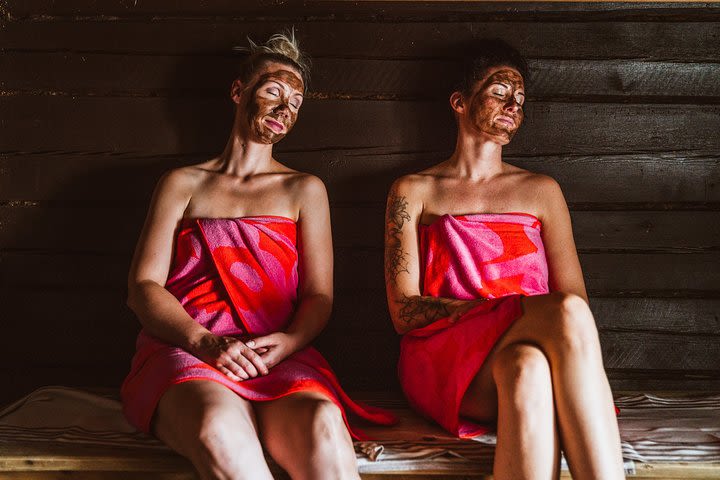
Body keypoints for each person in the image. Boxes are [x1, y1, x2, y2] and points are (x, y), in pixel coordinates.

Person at [121, 32, 393, 480]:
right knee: (218, 427)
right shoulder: (182, 184)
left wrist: (286, 343)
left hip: (276, 354)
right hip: (190, 351)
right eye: (272, 92)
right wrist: (204, 342)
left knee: (323, 426)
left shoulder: (303, 190)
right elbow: (143, 287)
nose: (286, 108)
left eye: (297, 101)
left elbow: (318, 295)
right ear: (238, 92)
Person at [384, 39, 625, 479]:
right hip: (446, 358)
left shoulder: (541, 191)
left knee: (527, 369)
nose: (513, 105)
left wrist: (511, 320)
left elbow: (575, 298)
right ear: (460, 101)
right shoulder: (413, 191)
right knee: (563, 314)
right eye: (499, 91)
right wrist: (498, 313)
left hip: (523, 348)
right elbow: (404, 311)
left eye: (519, 99)